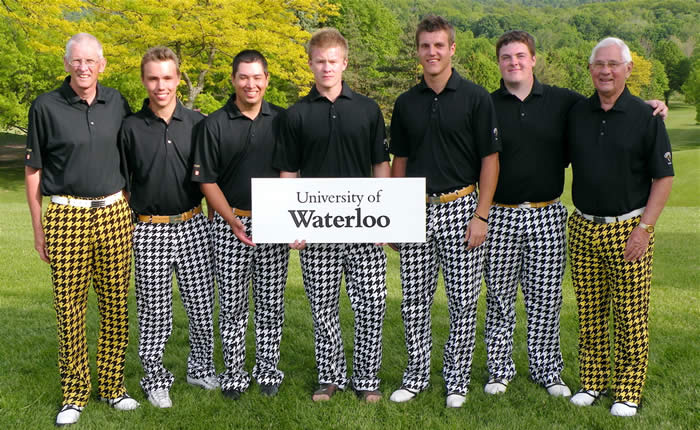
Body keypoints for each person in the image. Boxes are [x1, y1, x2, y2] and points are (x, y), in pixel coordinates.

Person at [24, 33, 139, 426]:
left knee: (115, 305)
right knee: (69, 308)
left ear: (102, 64)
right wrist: (38, 228)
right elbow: (33, 169)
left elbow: (129, 156)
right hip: (66, 215)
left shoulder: (117, 102)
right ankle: (74, 393)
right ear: (66, 63)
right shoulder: (45, 106)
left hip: (113, 212)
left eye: (91, 60)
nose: (84, 67)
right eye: (77, 60)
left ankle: (112, 387)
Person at [272, 28, 390, 403]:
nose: (326, 68)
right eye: (319, 61)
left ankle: (367, 378)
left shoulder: (368, 110)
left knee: (370, 305)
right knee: (323, 307)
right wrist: (293, 222)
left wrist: (384, 217)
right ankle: (330, 377)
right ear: (310, 64)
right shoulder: (296, 114)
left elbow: (380, 165)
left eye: (333, 61)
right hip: (317, 227)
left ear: (345, 63)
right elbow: (288, 172)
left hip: (364, 224)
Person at [388, 15, 500, 408]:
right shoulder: (405, 103)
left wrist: (481, 215)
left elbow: (490, 160)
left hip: (461, 206)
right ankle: (416, 375)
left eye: (439, 45)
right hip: (417, 209)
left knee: (462, 301)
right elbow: (398, 160)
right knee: (414, 300)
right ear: (417, 51)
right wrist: (397, 216)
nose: (432, 52)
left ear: (452, 48)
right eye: (425, 46)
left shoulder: (475, 97)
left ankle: (456, 380)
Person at [567, 37, 673, 417]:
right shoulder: (577, 112)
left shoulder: (647, 117)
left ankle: (628, 389)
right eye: (599, 64)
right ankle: (592, 383)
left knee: (630, 313)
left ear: (628, 69)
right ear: (591, 68)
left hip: (628, 226)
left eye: (613, 64)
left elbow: (663, 178)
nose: (605, 71)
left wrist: (644, 228)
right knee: (591, 311)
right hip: (582, 226)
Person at [120, 47, 218, 409]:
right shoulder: (130, 127)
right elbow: (124, 182)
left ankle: (201, 368)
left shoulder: (198, 123)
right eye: (153, 78)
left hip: (193, 225)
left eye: (167, 77)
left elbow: (209, 178)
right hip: (149, 230)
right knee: (154, 310)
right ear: (144, 80)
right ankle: (155, 379)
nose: (161, 86)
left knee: (201, 305)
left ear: (178, 78)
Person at [193, 50, 289, 400]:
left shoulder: (283, 120)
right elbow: (207, 181)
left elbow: (291, 172)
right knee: (232, 304)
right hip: (229, 222)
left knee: (270, 303)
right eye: (243, 77)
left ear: (266, 80)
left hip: (274, 222)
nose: (251, 84)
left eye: (257, 77)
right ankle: (234, 374)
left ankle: (268, 371)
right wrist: (232, 220)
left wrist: (289, 218)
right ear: (233, 79)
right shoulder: (213, 124)